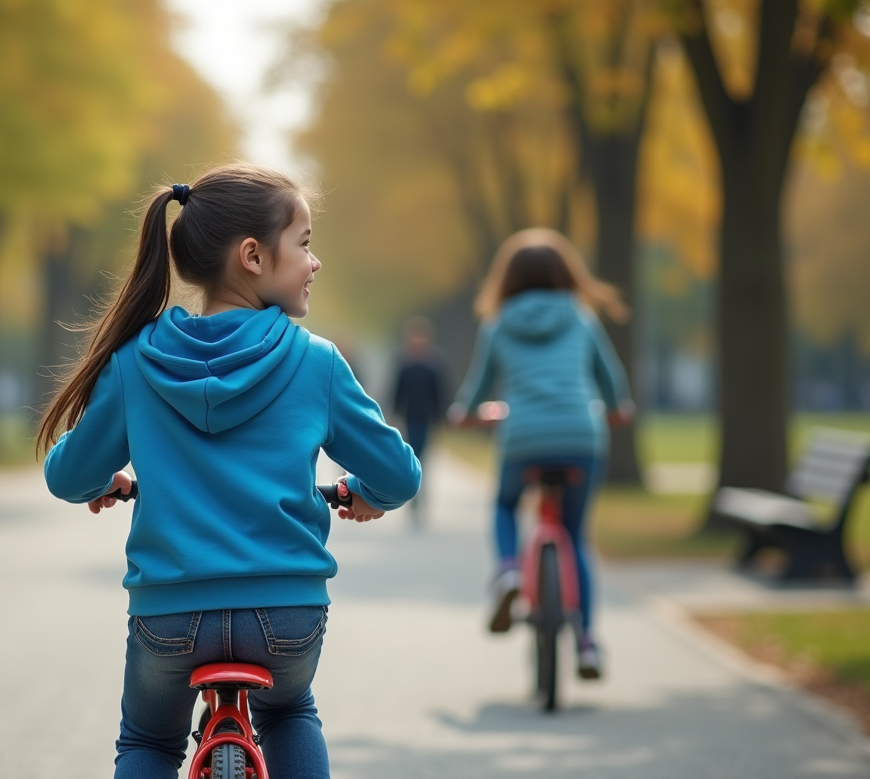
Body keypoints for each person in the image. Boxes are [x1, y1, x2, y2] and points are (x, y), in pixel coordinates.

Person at [38, 164, 421, 779]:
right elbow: (399, 477)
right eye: (303, 242)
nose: (314, 260)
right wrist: (364, 493)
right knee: (290, 712)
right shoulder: (317, 362)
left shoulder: (135, 362)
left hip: (171, 615)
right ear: (252, 255)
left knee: (148, 742)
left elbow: (67, 476)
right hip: (285, 614)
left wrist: (101, 480)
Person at [446, 228, 633, 681]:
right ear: (566, 273)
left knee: (506, 504)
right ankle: (587, 642)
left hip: (524, 436)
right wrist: (616, 410)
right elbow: (612, 385)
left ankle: (509, 571)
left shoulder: (498, 323)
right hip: (580, 436)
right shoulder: (583, 318)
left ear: (507, 279)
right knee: (576, 534)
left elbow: (476, 391)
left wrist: (465, 413)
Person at [391, 316, 447, 525]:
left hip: (426, 419)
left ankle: (419, 495)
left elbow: (440, 393)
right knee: (412, 456)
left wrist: (441, 417)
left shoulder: (434, 363)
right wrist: (395, 413)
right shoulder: (404, 362)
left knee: (422, 457)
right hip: (409, 418)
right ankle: (413, 495)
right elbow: (397, 390)